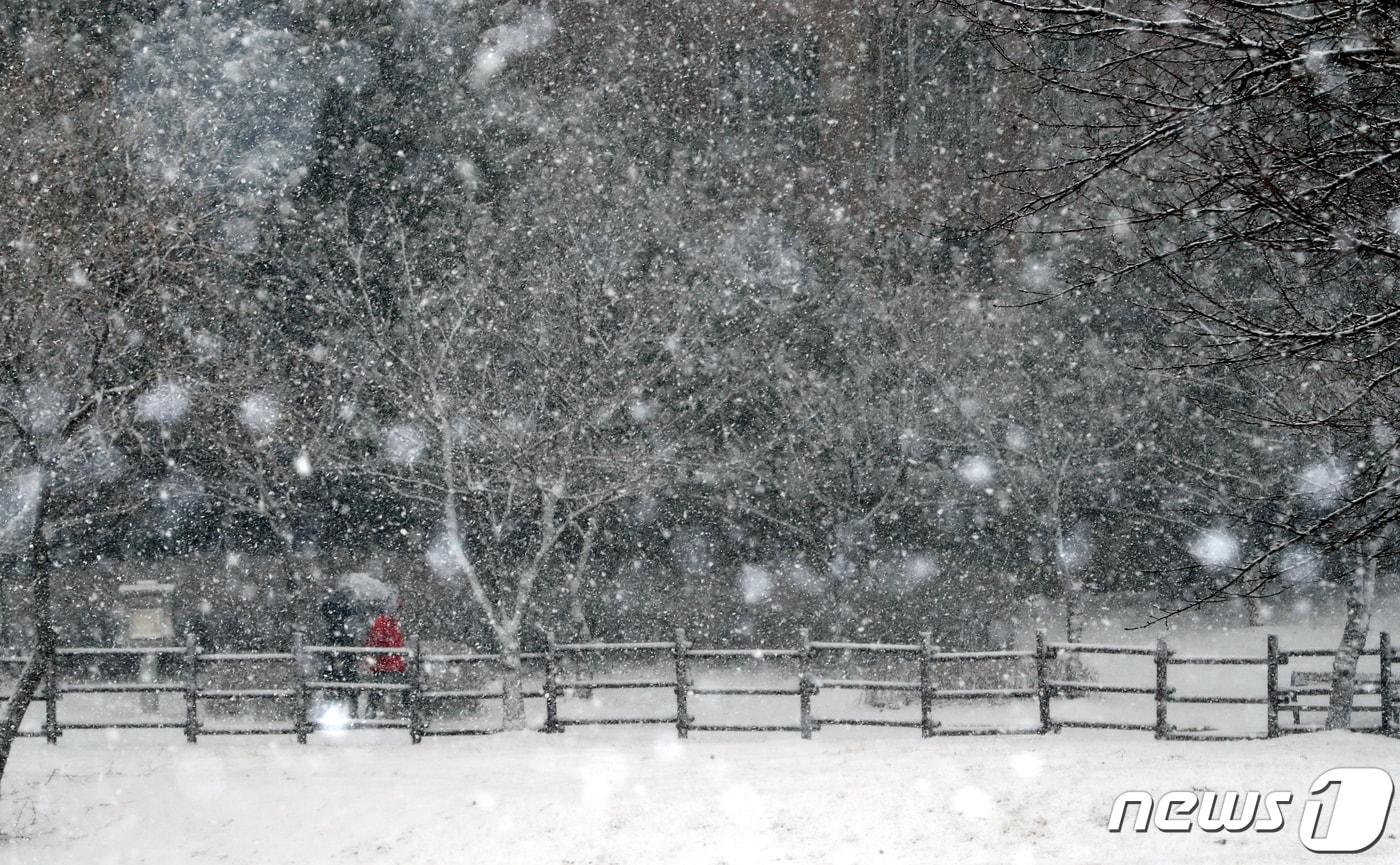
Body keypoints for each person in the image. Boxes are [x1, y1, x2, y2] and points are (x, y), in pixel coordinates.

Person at [320, 587, 360, 718]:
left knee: (336, 678)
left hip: (339, 649)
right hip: (342, 648)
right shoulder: (346, 614)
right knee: (346, 679)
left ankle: (346, 710)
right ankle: (351, 712)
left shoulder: (334, 614)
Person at [364, 600, 407, 718]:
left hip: (391, 664)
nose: (399, 613)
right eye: (398, 610)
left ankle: (373, 711)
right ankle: (374, 711)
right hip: (387, 665)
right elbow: (377, 643)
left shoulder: (392, 624)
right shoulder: (384, 624)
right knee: (383, 688)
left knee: (381, 689)